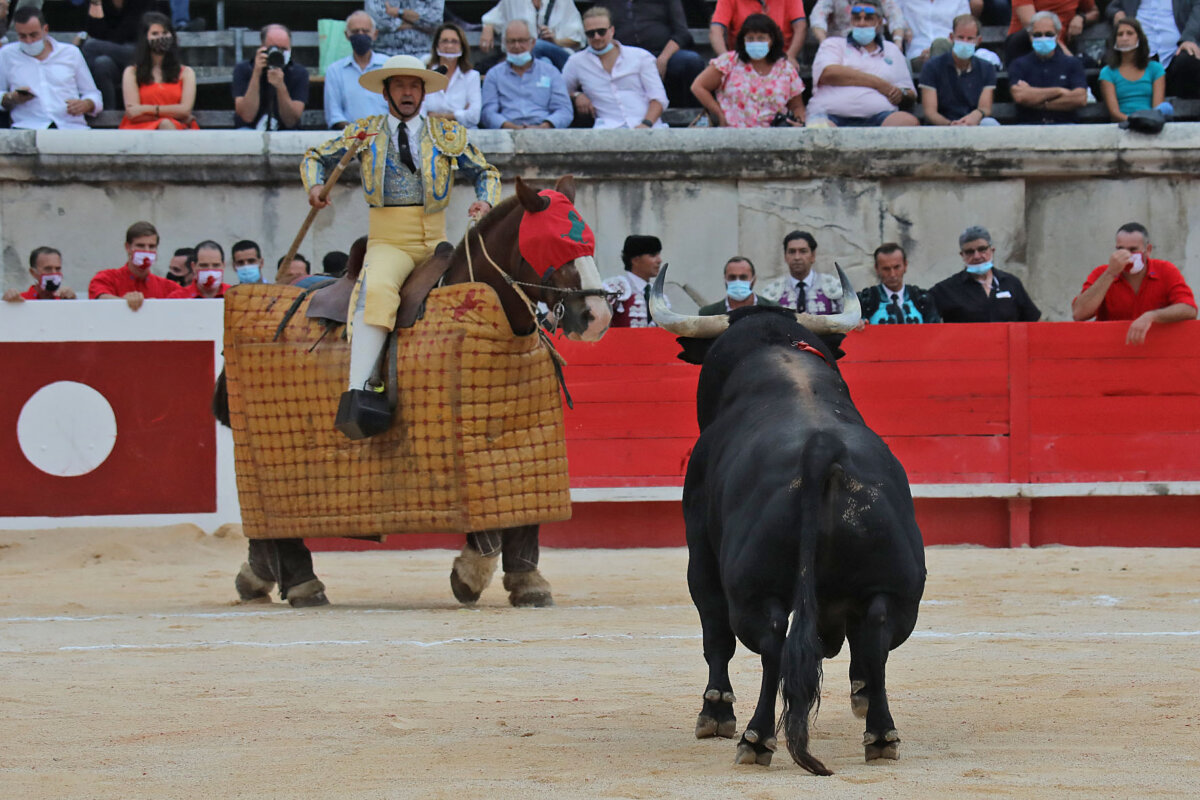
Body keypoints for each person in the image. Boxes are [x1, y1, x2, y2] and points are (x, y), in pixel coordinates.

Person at [302, 54, 499, 438]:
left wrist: (485, 201)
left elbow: (486, 172)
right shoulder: (364, 132)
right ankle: (359, 390)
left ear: (423, 93)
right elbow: (315, 157)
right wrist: (314, 186)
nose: (408, 92)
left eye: (414, 86)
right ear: (386, 92)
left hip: (437, 242)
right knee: (376, 290)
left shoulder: (446, 133)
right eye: (400, 85)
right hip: (389, 242)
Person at [1071, 222, 1196, 345]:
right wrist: (1110, 273)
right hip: (1111, 349)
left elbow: (1189, 309)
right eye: (1121, 249)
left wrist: (1152, 316)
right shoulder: (1102, 273)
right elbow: (1079, 314)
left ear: (1148, 250)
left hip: (1157, 348)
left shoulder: (1165, 270)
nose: (1126, 255)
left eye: (1133, 250)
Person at [806, 0, 920, 127]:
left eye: (868, 18)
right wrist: (880, 84)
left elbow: (910, 92)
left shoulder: (892, 50)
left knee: (907, 121)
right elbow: (829, 73)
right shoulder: (832, 44)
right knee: (820, 128)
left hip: (880, 116)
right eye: (857, 18)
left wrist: (900, 94)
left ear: (879, 22)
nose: (862, 23)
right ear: (851, 21)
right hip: (831, 115)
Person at [690, 13, 806, 127]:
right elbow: (698, 86)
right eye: (750, 39)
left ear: (772, 40)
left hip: (774, 135)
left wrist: (798, 122)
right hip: (733, 133)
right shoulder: (729, 62)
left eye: (761, 38)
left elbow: (797, 106)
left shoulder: (785, 69)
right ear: (743, 40)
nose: (755, 42)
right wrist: (719, 113)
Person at [563, 6, 669, 129]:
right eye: (591, 33)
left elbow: (658, 98)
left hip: (648, 126)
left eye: (601, 31)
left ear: (612, 30)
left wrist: (646, 124)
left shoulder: (640, 57)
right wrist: (577, 95)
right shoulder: (576, 62)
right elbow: (561, 90)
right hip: (607, 129)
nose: (596, 37)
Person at [0, 7, 102, 130]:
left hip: (70, 127)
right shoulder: (7, 54)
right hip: (28, 127)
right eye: (22, 36)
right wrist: (11, 98)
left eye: (33, 35)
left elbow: (92, 93)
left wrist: (87, 104)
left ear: (45, 30)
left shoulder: (70, 53)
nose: (29, 41)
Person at [593, 0, 706, 108]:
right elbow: (599, 33)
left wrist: (664, 58)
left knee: (691, 61)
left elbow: (682, 34)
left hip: (661, 54)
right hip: (625, 57)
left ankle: (696, 115)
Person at [929, 225, 1041, 322]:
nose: (977, 256)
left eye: (982, 249)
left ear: (992, 250)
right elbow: (924, 319)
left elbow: (1033, 322)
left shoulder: (1011, 283)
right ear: (962, 255)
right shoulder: (946, 289)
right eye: (969, 252)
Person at [481, 19, 573, 129]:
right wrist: (510, 127)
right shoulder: (494, 75)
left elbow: (564, 110)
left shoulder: (551, 72)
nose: (517, 46)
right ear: (505, 43)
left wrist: (545, 126)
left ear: (532, 42)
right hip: (506, 132)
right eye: (511, 41)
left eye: (522, 41)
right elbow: (488, 112)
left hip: (545, 131)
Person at [118, 12, 197, 130]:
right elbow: (133, 113)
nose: (161, 37)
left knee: (166, 125)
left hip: (178, 127)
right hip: (140, 128)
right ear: (145, 38)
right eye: (155, 34)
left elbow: (185, 110)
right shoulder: (132, 72)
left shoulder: (186, 73)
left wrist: (145, 109)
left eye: (165, 33)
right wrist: (172, 114)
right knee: (166, 124)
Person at [1007, 11, 1087, 124]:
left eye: (1049, 34)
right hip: (1029, 127)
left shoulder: (1073, 63)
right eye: (1038, 35)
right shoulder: (1019, 64)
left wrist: (1041, 103)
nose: (1043, 38)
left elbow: (1080, 98)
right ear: (1030, 36)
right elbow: (1020, 96)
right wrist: (1059, 91)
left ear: (1058, 35)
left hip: (1065, 126)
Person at [1109, 0, 1200, 99]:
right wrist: (1117, 13)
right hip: (1141, 54)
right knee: (1115, 63)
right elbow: (1112, 7)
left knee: (1188, 60)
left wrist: (1188, 38)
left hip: (1176, 52)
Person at [919, 14, 999, 125]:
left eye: (970, 38)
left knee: (989, 123)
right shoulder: (932, 67)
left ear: (978, 40)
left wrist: (975, 116)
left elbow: (985, 108)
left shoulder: (987, 68)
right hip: (941, 126)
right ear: (951, 37)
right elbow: (930, 112)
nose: (965, 42)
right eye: (960, 37)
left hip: (973, 125)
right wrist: (950, 124)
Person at [79, 0, 155, 113]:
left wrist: (99, 39)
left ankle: (85, 89)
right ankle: (109, 113)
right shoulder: (100, 3)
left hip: (137, 53)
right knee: (102, 63)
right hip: (111, 55)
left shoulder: (140, 3)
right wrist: (96, 4)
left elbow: (123, 34)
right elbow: (94, 31)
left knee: (90, 46)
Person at [232, 24, 309, 130]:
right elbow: (247, 116)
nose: (279, 53)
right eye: (274, 48)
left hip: (285, 131)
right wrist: (256, 73)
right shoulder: (243, 69)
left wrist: (280, 86)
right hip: (250, 130)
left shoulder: (298, 73)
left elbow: (291, 121)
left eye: (284, 49)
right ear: (262, 47)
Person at [89, 220, 178, 311]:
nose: (147, 251)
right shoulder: (106, 278)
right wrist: (124, 302)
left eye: (151, 246)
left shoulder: (169, 287)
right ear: (128, 247)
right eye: (140, 246)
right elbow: (100, 298)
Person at [324, 11, 389, 129]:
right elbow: (334, 114)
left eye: (365, 31)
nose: (360, 35)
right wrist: (356, 133)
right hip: (349, 136)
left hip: (387, 134)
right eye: (355, 31)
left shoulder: (388, 66)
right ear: (346, 35)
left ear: (375, 34)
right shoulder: (335, 71)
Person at [479, 0, 583, 71]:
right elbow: (493, 18)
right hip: (529, 60)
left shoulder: (564, 2)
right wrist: (488, 27)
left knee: (535, 45)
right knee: (545, 62)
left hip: (560, 58)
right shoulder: (511, 2)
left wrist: (555, 41)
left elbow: (577, 40)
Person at [760, 230, 845, 314]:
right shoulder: (773, 292)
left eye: (803, 251)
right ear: (785, 256)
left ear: (813, 255)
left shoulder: (834, 287)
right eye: (792, 252)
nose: (797, 257)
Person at [1098, 18, 1166, 121]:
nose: (1124, 38)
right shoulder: (1107, 72)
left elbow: (1157, 109)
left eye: (1129, 33)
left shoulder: (1156, 69)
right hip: (1123, 125)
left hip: (1151, 124)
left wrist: (1147, 121)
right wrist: (1134, 122)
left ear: (1139, 38)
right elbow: (1114, 113)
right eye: (1120, 34)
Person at [858, 243, 942, 324]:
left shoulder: (923, 299)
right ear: (877, 269)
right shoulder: (864, 301)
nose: (892, 274)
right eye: (886, 269)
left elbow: (935, 330)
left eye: (896, 267)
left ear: (905, 265)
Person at [710, 0, 807, 69]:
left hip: (780, 58)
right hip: (741, 60)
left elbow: (801, 27)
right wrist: (726, 59)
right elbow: (716, 30)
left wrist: (790, 55)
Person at [421, 23, 481, 128]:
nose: (449, 46)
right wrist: (461, 114)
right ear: (437, 46)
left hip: (463, 131)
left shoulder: (472, 76)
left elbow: (474, 116)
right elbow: (420, 114)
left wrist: (438, 116)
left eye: (454, 42)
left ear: (462, 47)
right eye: (444, 41)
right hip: (429, 130)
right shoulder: (426, 73)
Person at [1005, 0, 1098, 63]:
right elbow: (1031, 24)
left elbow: (1094, 12)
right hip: (1027, 44)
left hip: (1061, 46)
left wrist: (1081, 18)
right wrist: (1067, 56)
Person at [602, 235, 664, 327]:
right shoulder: (616, 287)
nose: (659, 260)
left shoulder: (656, 292)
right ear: (635, 260)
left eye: (659, 254)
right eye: (653, 255)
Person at [810, 0, 912, 55]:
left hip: (875, 46)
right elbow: (817, 17)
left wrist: (898, 42)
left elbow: (895, 15)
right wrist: (823, 42)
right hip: (841, 46)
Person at [894, 0, 977, 65]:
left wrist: (934, 50)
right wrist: (904, 29)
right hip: (918, 54)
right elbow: (892, 18)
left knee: (940, 45)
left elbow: (965, 30)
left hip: (951, 51)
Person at [698, 256, 778, 314]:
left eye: (743, 277)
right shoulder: (708, 313)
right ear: (725, 279)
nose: (737, 281)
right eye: (732, 277)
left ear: (753, 280)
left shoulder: (773, 309)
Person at [365, 0, 444, 58]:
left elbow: (435, 21)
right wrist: (416, 22)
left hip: (423, 54)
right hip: (383, 53)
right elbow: (377, 21)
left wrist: (399, 12)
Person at [2, 246, 78, 302]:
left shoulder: (65, 299)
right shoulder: (20, 300)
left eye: (57, 269)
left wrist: (74, 302)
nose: (54, 273)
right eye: (48, 269)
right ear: (33, 272)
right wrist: (5, 303)